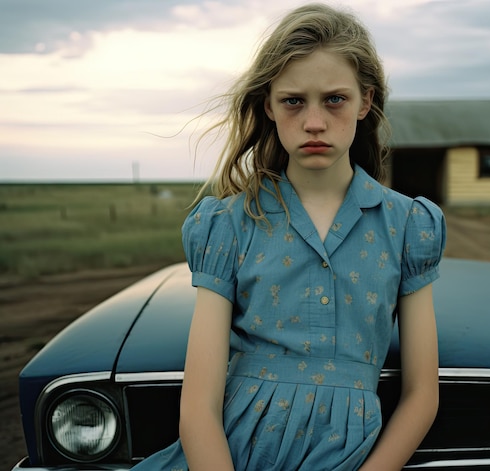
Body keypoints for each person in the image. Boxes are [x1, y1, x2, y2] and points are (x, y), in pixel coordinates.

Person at [134, 3, 445, 470]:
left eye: (334, 99)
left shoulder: (407, 225)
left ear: (365, 101)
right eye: (293, 101)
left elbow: (422, 394)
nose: (314, 122)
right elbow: (198, 405)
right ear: (269, 106)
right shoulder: (228, 224)